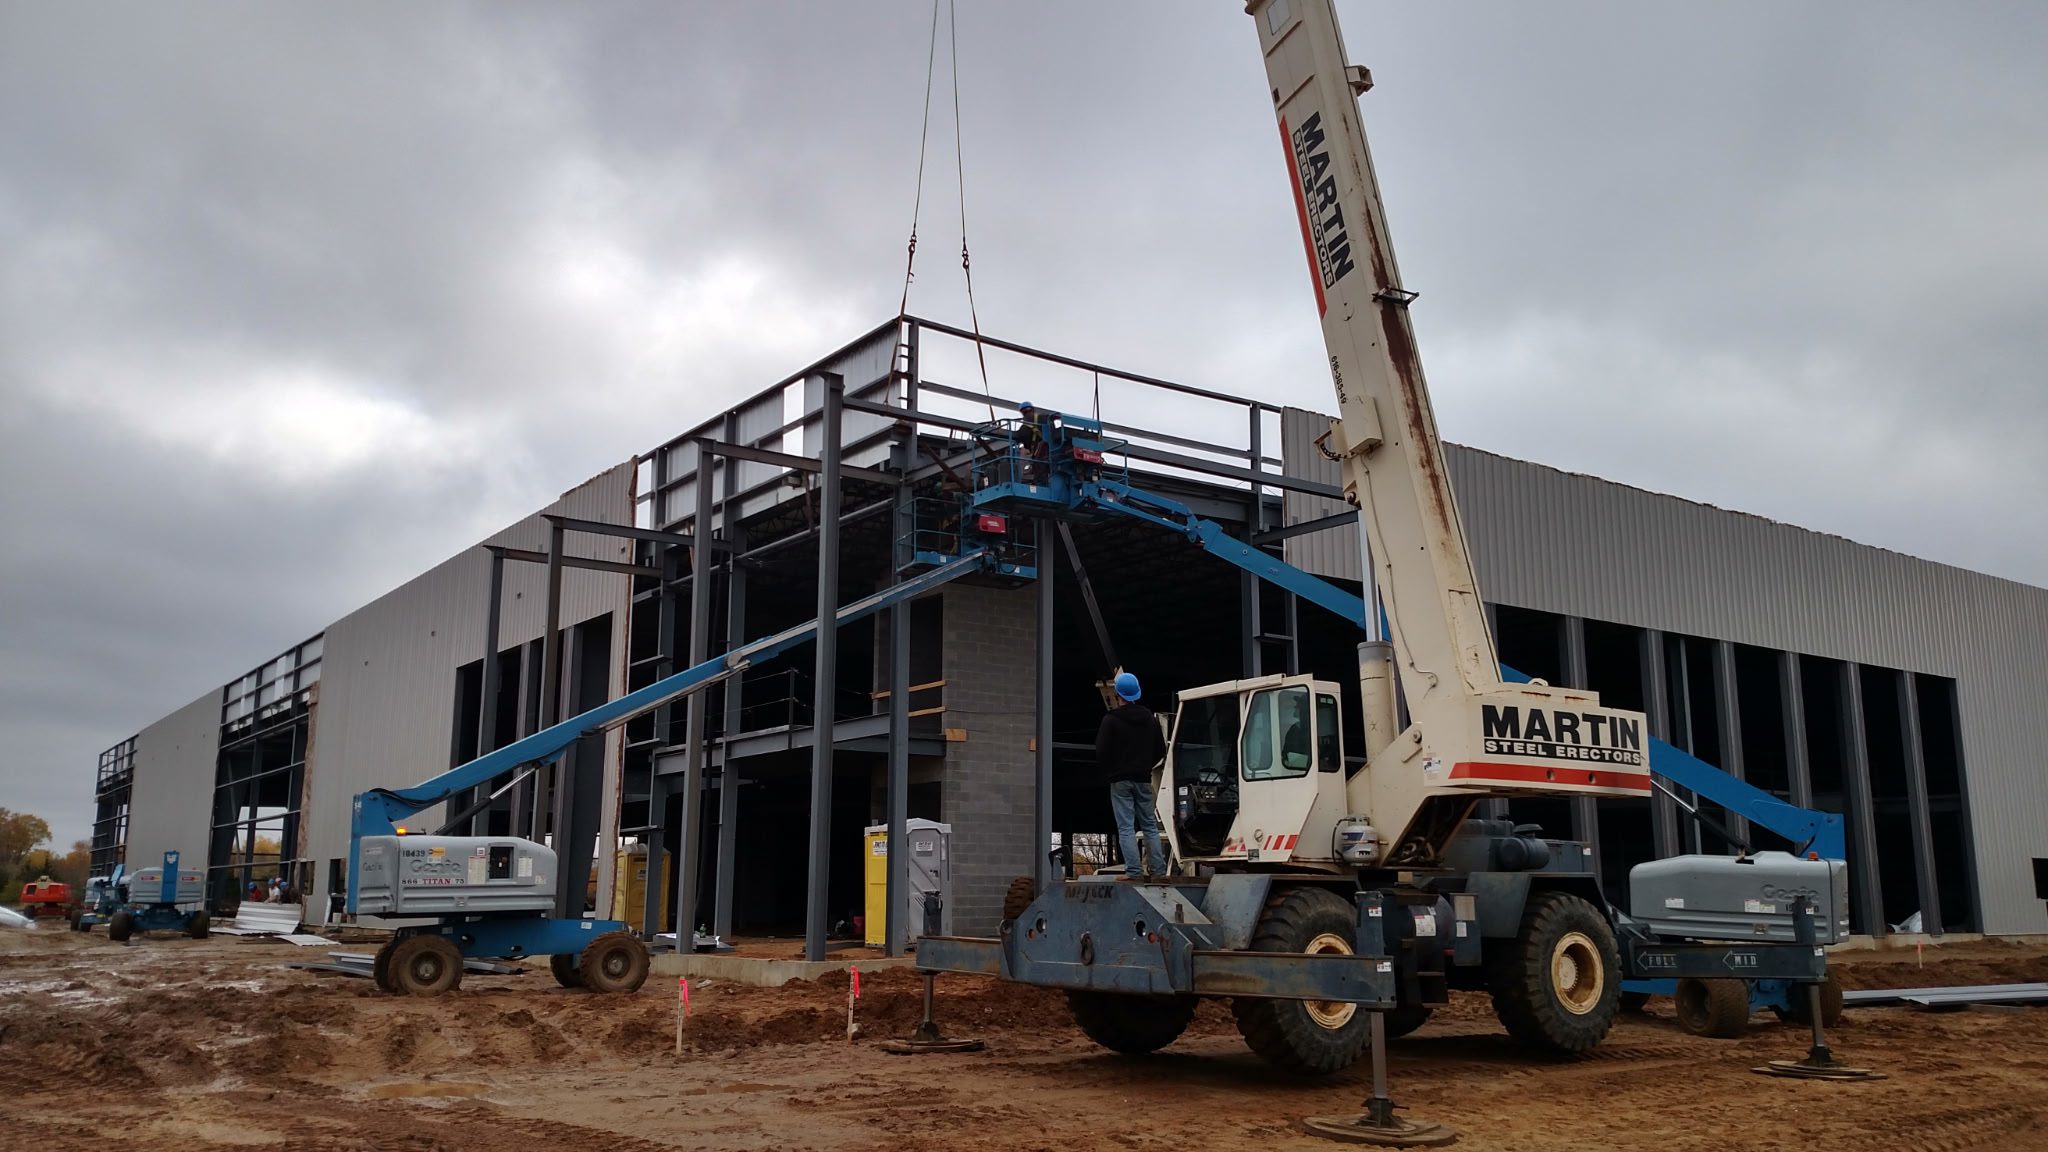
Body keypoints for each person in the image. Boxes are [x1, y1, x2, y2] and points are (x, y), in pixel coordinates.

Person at [1095, 671, 1169, 880]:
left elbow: (1101, 751)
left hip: (1120, 781)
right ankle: (1160, 872)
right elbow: (1160, 752)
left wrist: (1112, 770)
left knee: (1126, 826)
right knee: (1150, 826)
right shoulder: (1150, 720)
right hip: (1143, 779)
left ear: (1117, 695)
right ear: (1137, 693)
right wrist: (1144, 766)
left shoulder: (1110, 720)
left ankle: (1134, 872)